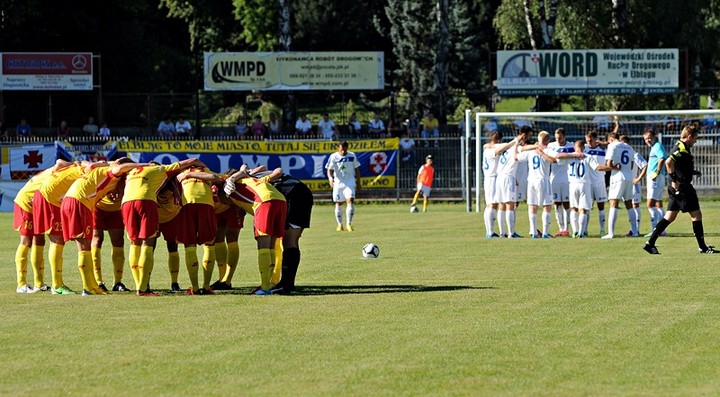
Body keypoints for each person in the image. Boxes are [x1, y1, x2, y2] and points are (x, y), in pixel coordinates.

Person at [121, 158, 205, 296]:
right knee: (147, 245)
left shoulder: (135, 173)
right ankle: (143, 285)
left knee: (159, 245)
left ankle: (173, 283)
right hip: (151, 212)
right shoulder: (158, 173)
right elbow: (188, 162)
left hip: (165, 215)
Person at [61, 158, 144, 295]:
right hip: (80, 203)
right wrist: (144, 164)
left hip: (77, 201)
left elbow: (88, 165)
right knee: (85, 246)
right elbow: (117, 168)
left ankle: (93, 286)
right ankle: (88, 288)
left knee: (86, 246)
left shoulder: (104, 173)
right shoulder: (110, 170)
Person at [643, 125, 718, 254]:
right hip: (682, 188)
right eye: (695, 138)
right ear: (689, 137)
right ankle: (703, 248)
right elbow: (668, 162)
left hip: (678, 188)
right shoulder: (680, 148)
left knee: (669, 217)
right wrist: (674, 180)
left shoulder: (684, 147)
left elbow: (679, 166)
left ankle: (650, 243)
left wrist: (693, 172)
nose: (696, 141)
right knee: (696, 215)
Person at [246, 166, 314, 295]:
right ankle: (287, 283)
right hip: (301, 191)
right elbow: (264, 167)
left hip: (293, 193)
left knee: (289, 240)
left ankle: (286, 284)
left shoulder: (249, 180)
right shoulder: (254, 175)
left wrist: (245, 173)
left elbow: (277, 170)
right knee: (292, 240)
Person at [223, 165, 287, 295]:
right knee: (270, 246)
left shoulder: (230, 183)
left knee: (263, 245)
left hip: (264, 202)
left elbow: (239, 174)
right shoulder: (250, 180)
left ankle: (264, 288)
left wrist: (230, 179)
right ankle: (269, 284)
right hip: (280, 200)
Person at [34, 161, 85, 294]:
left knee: (54, 240)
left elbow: (59, 162)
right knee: (57, 240)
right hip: (49, 198)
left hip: (47, 196)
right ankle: (57, 286)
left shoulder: (77, 167)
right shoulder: (88, 171)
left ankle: (52, 284)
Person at [555, 140, 615, 238]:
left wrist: (572, 155)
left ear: (575, 147)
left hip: (573, 184)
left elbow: (558, 156)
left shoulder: (569, 156)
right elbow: (598, 168)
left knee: (574, 208)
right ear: (583, 147)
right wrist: (612, 168)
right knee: (583, 209)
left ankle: (575, 231)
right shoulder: (587, 156)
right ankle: (581, 233)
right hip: (584, 184)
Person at [13, 166, 57, 293]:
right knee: (26, 240)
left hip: (37, 204)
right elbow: (59, 162)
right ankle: (21, 284)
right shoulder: (60, 171)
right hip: (26, 202)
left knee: (40, 239)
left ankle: (39, 283)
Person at [602, 131, 646, 239]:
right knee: (629, 204)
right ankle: (635, 232)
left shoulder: (612, 146)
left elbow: (608, 165)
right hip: (628, 177)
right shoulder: (629, 147)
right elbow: (631, 164)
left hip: (617, 177)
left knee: (613, 203)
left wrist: (613, 167)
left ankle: (610, 233)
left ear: (611, 139)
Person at [518, 130, 557, 238]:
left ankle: (534, 232)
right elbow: (553, 160)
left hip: (531, 181)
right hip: (543, 180)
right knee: (546, 206)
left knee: (533, 206)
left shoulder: (531, 150)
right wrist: (542, 154)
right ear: (548, 140)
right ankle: (544, 233)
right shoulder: (548, 150)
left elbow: (516, 157)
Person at [92, 180, 129, 292]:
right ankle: (98, 281)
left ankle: (117, 282)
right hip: (98, 207)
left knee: (118, 241)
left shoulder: (130, 175)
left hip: (116, 210)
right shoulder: (106, 174)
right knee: (97, 240)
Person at [495, 126, 531, 238]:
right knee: (510, 205)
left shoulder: (507, 146)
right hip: (508, 177)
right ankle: (511, 233)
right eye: (529, 135)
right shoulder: (517, 146)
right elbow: (523, 149)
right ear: (524, 135)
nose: (530, 137)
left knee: (501, 205)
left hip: (499, 177)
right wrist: (537, 146)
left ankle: (502, 233)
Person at [482, 131, 519, 238]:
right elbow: (499, 149)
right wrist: (514, 142)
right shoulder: (490, 150)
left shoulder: (486, 148)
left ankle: (490, 231)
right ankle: (490, 232)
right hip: (492, 178)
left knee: (492, 204)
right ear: (499, 140)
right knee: (492, 204)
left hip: (492, 178)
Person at [326, 141, 361, 232]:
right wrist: (330, 179)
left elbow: (357, 168)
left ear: (347, 148)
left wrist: (359, 182)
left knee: (350, 201)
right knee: (339, 203)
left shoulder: (352, 156)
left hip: (349, 182)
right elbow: (329, 169)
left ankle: (348, 224)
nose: (343, 152)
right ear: (338, 148)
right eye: (341, 150)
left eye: (344, 150)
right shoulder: (333, 156)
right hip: (338, 184)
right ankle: (339, 224)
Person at [548, 128, 574, 236]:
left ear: (564, 137)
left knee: (567, 204)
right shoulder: (551, 146)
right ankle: (560, 228)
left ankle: (566, 229)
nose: (558, 140)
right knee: (557, 203)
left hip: (567, 179)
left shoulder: (571, 146)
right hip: (554, 179)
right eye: (556, 137)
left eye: (560, 137)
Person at [643, 129, 668, 236]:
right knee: (658, 203)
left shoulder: (657, 146)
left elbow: (662, 158)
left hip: (655, 177)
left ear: (654, 137)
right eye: (645, 139)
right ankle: (662, 230)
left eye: (649, 137)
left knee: (650, 204)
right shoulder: (655, 146)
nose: (648, 140)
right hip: (657, 177)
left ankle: (656, 230)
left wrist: (657, 171)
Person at [584, 131, 608, 236]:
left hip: (599, 181)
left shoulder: (603, 149)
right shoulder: (584, 149)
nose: (589, 143)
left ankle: (602, 230)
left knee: (601, 206)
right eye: (587, 140)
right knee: (587, 207)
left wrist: (604, 143)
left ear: (595, 139)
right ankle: (585, 230)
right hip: (587, 182)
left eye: (591, 140)